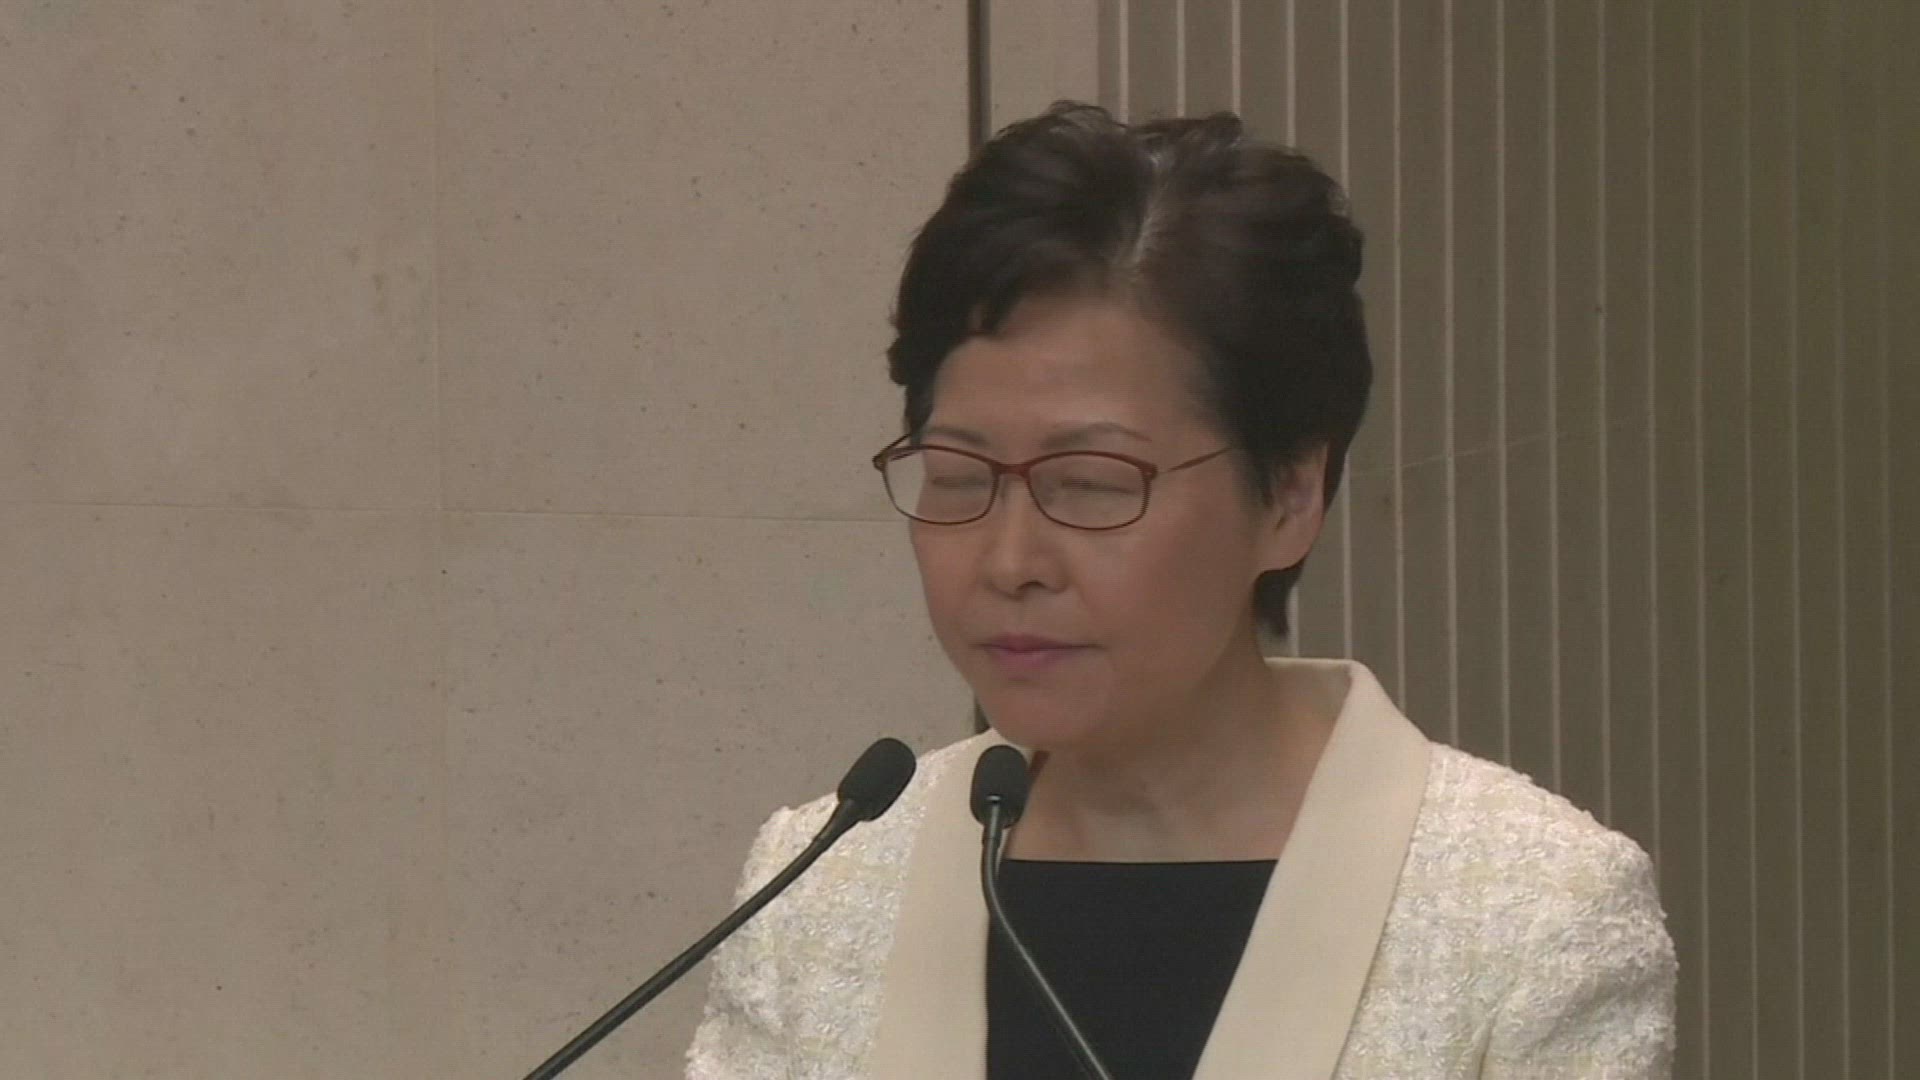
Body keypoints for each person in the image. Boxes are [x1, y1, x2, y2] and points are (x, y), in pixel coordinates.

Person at [686, 103, 1675, 1079]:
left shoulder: (1529, 913)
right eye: (956, 476)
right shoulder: (824, 881)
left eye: (1090, 483)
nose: (1009, 560)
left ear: (1289, 496)